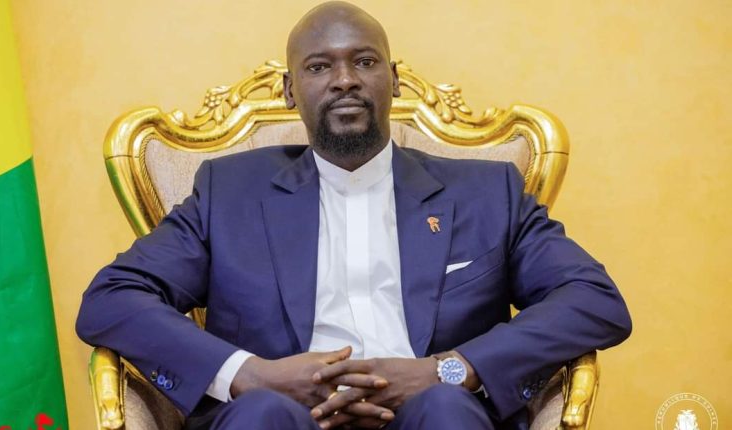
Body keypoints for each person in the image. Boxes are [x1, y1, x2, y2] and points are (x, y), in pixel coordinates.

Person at [76, 2, 632, 429]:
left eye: (364, 62)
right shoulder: (230, 193)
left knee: (446, 409)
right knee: (262, 415)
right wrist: (248, 374)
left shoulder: (487, 193)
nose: (344, 79)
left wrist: (449, 368)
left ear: (393, 79)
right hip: (280, 419)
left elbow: (593, 300)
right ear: (290, 91)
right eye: (320, 66)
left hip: (433, 415)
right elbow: (112, 298)